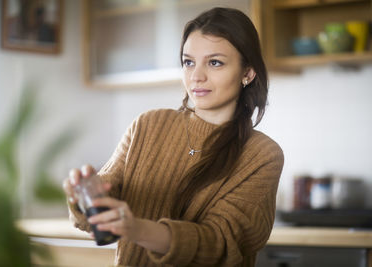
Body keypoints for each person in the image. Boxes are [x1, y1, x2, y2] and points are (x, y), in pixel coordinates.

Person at [63, 7, 284, 267]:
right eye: (188, 62)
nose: (196, 76)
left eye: (215, 62)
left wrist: (137, 229)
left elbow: (221, 245)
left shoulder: (262, 154)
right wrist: (87, 197)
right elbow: (96, 214)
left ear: (248, 73)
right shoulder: (147, 125)